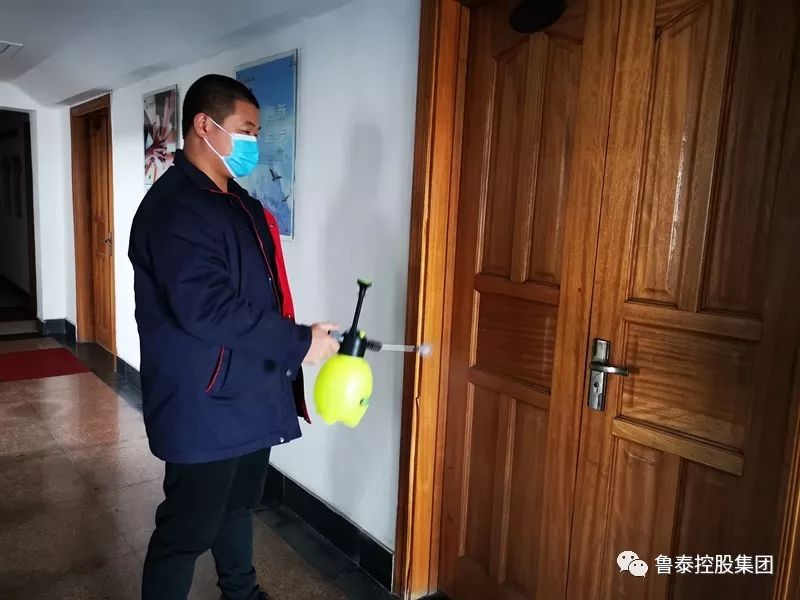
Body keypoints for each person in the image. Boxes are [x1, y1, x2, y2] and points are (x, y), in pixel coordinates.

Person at [129, 74, 340, 600]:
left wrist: (300, 336)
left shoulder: (239, 203)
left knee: (239, 507)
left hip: (248, 391)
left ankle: (242, 593)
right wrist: (298, 343)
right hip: (202, 401)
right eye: (246, 131)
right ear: (205, 125)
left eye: (256, 133)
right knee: (186, 532)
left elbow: (255, 296)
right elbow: (206, 307)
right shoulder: (175, 208)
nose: (253, 144)